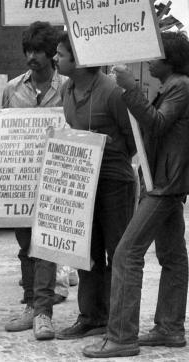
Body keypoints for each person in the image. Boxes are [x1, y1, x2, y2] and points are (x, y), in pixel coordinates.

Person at [83, 32, 189, 358]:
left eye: (156, 53)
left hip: (165, 184)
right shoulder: (172, 88)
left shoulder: (181, 88)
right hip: (162, 181)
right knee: (172, 256)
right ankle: (169, 327)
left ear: (171, 59)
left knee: (126, 253)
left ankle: (122, 335)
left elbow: (157, 124)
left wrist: (129, 88)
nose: (150, 58)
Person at [54, 32, 136, 341]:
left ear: (79, 60)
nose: (55, 59)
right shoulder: (66, 90)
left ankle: (118, 322)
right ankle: (90, 316)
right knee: (85, 252)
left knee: (117, 252)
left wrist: (105, 152)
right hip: (82, 184)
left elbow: (131, 139)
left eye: (60, 55)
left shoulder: (113, 91)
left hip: (115, 182)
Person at [1, 22, 67, 340]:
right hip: (20, 180)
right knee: (25, 245)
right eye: (28, 51)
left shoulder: (68, 86)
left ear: (53, 54)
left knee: (48, 247)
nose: (31, 57)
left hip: (56, 180)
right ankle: (30, 305)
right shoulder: (12, 89)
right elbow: (1, 133)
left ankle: (43, 312)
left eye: (38, 51)